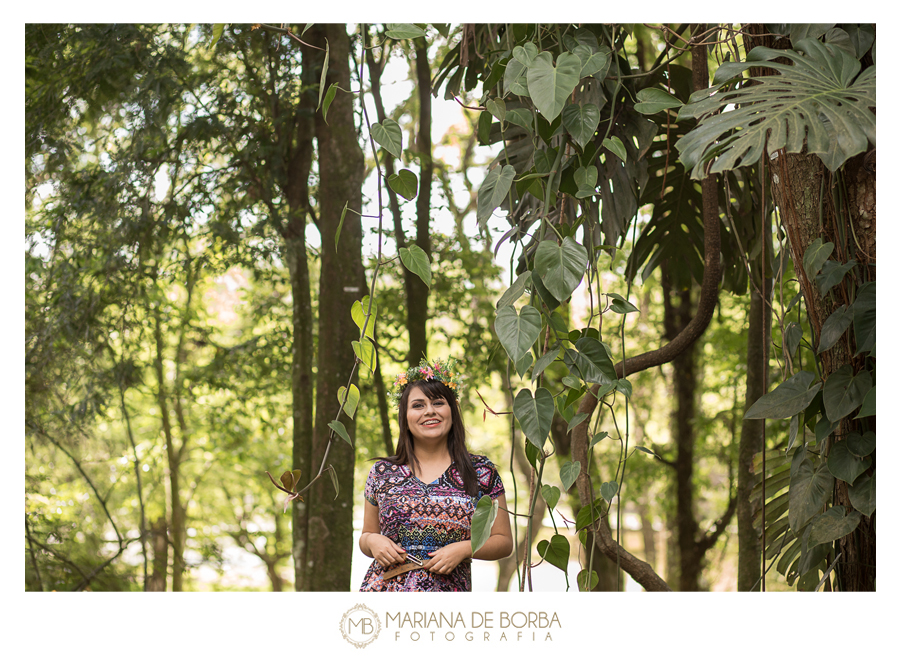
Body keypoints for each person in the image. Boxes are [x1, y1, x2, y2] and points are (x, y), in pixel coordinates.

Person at [358, 357, 513, 591]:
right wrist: (372, 540)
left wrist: (464, 548)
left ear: (452, 410)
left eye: (438, 403)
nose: (429, 411)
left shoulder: (482, 472)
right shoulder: (382, 473)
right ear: (405, 416)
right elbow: (367, 534)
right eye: (418, 405)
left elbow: (503, 541)